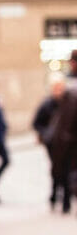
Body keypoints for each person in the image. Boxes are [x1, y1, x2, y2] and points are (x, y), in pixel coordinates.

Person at [32, 77, 68, 212]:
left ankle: (65, 201)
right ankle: (54, 195)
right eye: (56, 88)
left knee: (65, 170)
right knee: (56, 170)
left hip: (66, 143)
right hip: (52, 143)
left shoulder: (68, 103)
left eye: (61, 88)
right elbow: (36, 123)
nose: (59, 91)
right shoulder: (46, 104)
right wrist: (47, 134)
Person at [50, 50, 77, 216]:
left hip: (69, 140)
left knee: (66, 171)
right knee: (64, 172)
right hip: (68, 141)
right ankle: (62, 199)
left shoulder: (70, 93)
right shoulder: (69, 90)